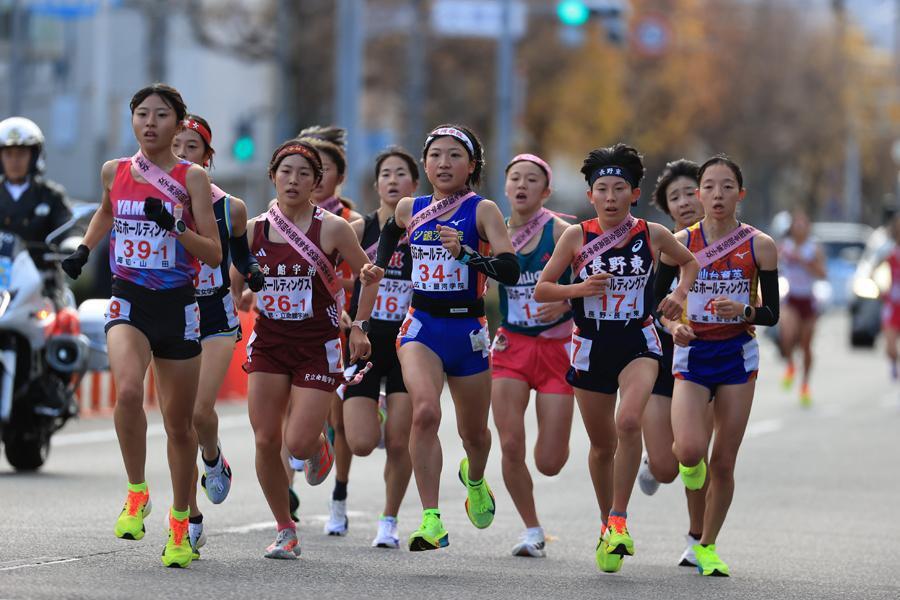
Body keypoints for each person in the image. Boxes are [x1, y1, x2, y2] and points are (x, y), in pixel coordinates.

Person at [61, 83, 222, 568]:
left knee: (178, 425)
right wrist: (85, 250)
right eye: (142, 114)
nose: (150, 123)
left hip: (177, 305)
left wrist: (175, 226)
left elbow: (213, 253)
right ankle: (136, 492)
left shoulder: (191, 179)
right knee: (128, 392)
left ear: (178, 124)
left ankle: (179, 525)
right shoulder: (116, 171)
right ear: (132, 121)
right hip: (128, 296)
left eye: (161, 115)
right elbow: (107, 213)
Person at [533, 143, 699, 573]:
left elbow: (690, 263)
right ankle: (607, 525)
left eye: (618, 188)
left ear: (634, 193)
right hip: (590, 344)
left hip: (637, 340)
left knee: (628, 421)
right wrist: (579, 290)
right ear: (590, 196)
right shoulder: (577, 235)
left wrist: (678, 296)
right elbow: (543, 289)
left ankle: (620, 519)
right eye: (601, 189)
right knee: (603, 445)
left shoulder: (651, 234)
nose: (610, 197)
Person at [373, 124, 520, 551]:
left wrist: (468, 255)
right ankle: (431, 519)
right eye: (435, 155)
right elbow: (389, 230)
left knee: (474, 434)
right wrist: (380, 266)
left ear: (471, 164)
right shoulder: (410, 208)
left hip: (468, 330)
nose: (443, 163)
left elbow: (510, 270)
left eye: (454, 155)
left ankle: (474, 478)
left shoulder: (482, 210)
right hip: (421, 326)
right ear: (425, 162)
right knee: (424, 413)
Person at [236, 138, 381, 559]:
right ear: (273, 177)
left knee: (296, 444)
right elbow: (234, 274)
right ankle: (285, 528)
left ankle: (317, 444)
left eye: (304, 174)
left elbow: (368, 275)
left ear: (317, 182)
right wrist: (240, 298)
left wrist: (360, 327)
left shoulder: (332, 228)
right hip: (270, 342)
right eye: (286, 172)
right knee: (265, 439)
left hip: (317, 344)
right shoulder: (254, 229)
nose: (294, 180)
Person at [658, 154, 780, 577]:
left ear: (740, 194)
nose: (717, 195)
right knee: (689, 451)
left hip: (736, 356)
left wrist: (744, 309)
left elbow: (771, 315)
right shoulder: (678, 243)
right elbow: (658, 307)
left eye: (727, 186)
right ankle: (696, 505)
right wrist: (673, 325)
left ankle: (706, 544)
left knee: (723, 460)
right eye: (708, 187)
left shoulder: (759, 245)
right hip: (692, 353)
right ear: (699, 193)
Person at [171, 113, 265, 558]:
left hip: (214, 316)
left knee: (199, 413)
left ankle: (212, 457)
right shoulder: (156, 202)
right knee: (178, 423)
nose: (182, 155)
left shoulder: (231, 208)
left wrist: (253, 273)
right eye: (175, 147)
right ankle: (189, 517)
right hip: (170, 314)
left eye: (191, 148)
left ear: (206, 158)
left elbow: (243, 259)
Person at [490, 153, 574, 558]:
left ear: (546, 191)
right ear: (505, 187)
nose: (522, 186)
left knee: (550, 462)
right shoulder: (493, 233)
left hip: (558, 348)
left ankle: (552, 462)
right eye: (515, 179)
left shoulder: (562, 232)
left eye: (531, 180)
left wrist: (566, 305)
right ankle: (531, 529)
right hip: (511, 346)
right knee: (509, 445)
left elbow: (597, 283)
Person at [635, 159, 710, 568]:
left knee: (695, 454)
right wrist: (671, 322)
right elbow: (649, 303)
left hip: (710, 360)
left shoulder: (737, 243)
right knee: (667, 466)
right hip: (663, 358)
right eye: (674, 197)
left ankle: (696, 537)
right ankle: (651, 462)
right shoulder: (661, 244)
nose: (684, 202)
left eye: (690, 192)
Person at [343, 147, 418, 548]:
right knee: (360, 442)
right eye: (385, 174)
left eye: (401, 174)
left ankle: (388, 521)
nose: (392, 180)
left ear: (415, 186)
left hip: (411, 343)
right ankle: (364, 414)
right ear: (375, 185)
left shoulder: (424, 229)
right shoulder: (359, 229)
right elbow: (329, 274)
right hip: (365, 340)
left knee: (401, 441)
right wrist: (342, 312)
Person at [298, 126, 361, 535]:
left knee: (337, 416)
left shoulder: (349, 221)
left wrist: (339, 297)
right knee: (288, 408)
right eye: (309, 170)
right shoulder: (281, 215)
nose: (315, 180)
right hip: (289, 325)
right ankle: (286, 493)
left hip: (338, 326)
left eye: (323, 172)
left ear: (338, 177)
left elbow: (368, 275)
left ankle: (339, 494)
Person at [0, 116, 72, 303]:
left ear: (34, 156)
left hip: (43, 284)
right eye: (9, 154)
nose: (15, 160)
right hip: (2, 283)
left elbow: (68, 226)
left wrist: (72, 242)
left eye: (21, 154)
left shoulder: (51, 195)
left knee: (65, 326)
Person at [777, 209, 825, 406]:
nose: (800, 227)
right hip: (791, 299)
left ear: (808, 227)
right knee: (787, 336)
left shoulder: (814, 249)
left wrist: (805, 262)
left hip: (808, 301)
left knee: (806, 345)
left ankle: (805, 385)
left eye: (803, 224)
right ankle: (790, 365)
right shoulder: (784, 247)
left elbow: (822, 274)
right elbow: (773, 267)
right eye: (797, 224)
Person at [880, 214, 900, 381]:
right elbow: (876, 272)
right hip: (893, 305)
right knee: (890, 348)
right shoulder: (890, 254)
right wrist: (880, 289)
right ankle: (894, 362)